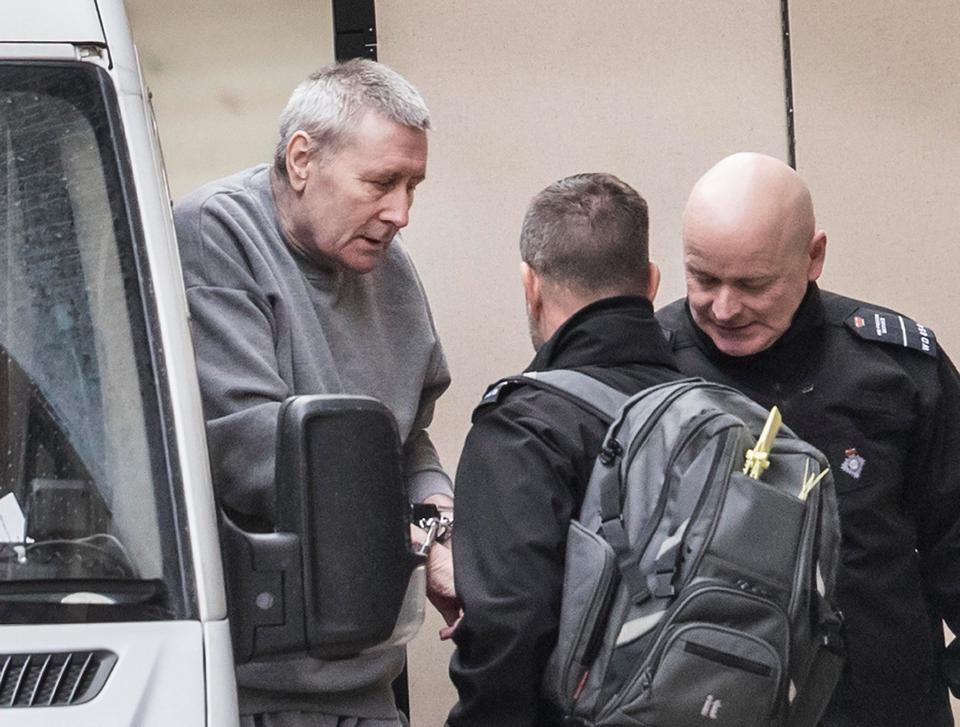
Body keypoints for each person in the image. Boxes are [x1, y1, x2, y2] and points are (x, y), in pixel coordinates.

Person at [175, 59, 456, 727]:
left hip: (368, 678)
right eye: (382, 182)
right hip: (260, 693)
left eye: (412, 186)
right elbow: (256, 455)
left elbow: (407, 438)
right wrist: (418, 533)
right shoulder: (217, 232)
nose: (401, 213)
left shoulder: (391, 269)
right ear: (302, 159)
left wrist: (441, 520)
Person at [657, 152, 960, 726]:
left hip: (878, 702)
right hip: (699, 704)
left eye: (753, 284)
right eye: (703, 277)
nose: (724, 308)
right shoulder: (645, 367)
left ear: (813, 256)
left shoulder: (895, 371)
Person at [446, 173, 684, 726]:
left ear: (530, 284)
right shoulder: (721, 414)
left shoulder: (525, 428)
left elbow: (508, 632)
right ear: (651, 283)